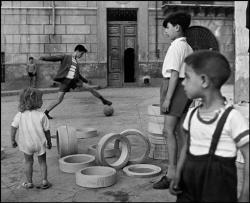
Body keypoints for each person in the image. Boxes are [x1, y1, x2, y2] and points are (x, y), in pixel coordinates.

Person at [169, 50, 249, 202]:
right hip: (188, 187)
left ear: (204, 81)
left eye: (187, 77)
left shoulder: (232, 118)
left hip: (218, 191)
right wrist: (178, 174)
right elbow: (186, 147)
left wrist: (245, 195)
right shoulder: (191, 116)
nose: (183, 82)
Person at [153, 11, 193, 189]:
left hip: (174, 88)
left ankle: (171, 174)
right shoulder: (187, 47)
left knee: (168, 131)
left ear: (177, 28)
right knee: (180, 132)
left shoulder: (176, 46)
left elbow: (175, 73)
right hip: (184, 89)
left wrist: (168, 98)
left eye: (167, 28)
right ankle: (185, 172)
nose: (165, 32)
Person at [39, 44, 112, 119]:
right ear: (77, 51)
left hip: (75, 81)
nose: (82, 55)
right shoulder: (66, 57)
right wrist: (44, 58)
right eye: (82, 53)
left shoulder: (76, 63)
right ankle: (46, 113)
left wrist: (85, 80)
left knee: (89, 88)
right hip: (65, 81)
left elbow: (78, 74)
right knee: (59, 99)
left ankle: (103, 100)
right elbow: (55, 58)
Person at [10, 87, 52, 189]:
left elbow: (13, 127)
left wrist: (13, 140)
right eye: (40, 99)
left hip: (26, 144)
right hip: (39, 143)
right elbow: (47, 131)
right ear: (35, 101)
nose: (42, 101)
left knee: (28, 162)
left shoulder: (19, 115)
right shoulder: (42, 115)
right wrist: (49, 142)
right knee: (42, 162)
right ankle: (44, 181)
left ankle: (29, 183)